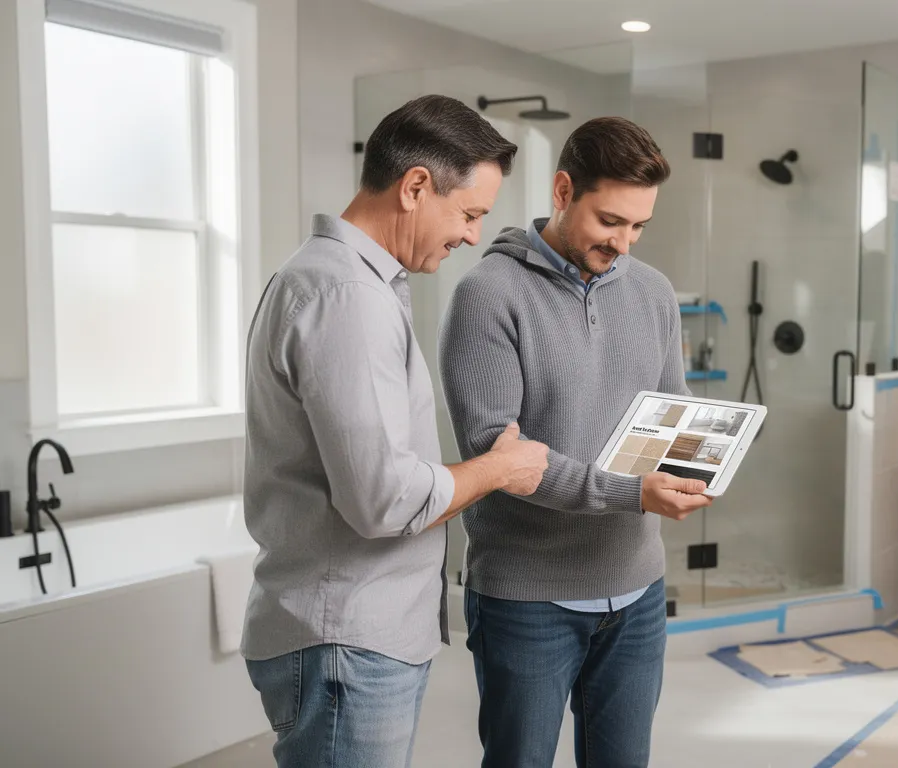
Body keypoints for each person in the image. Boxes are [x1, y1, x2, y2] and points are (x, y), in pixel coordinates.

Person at [240, 95, 550, 767]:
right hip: (344, 638)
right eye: (468, 214)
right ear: (415, 187)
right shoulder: (345, 298)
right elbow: (384, 499)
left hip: (347, 634)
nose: (472, 236)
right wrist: (501, 469)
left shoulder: (343, 283)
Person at [439, 116, 713, 768]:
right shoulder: (489, 295)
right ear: (563, 190)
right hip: (528, 596)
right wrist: (634, 493)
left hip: (638, 588)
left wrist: (702, 455)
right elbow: (500, 459)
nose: (624, 241)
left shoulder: (652, 291)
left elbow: (674, 408)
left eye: (639, 226)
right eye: (610, 221)